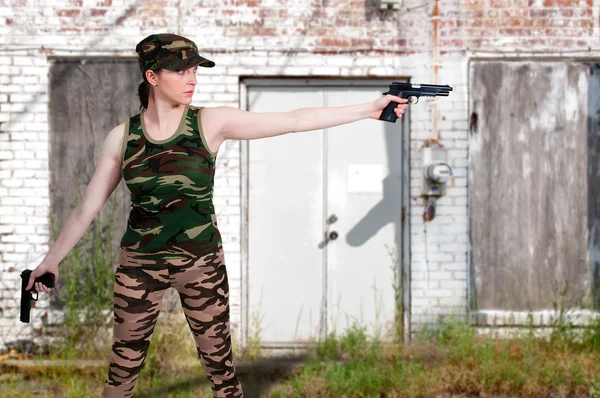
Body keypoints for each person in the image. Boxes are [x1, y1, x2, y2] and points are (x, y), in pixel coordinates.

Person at [24, 32, 409, 397]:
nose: (192, 79)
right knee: (122, 371)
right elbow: (86, 208)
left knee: (221, 370)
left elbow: (293, 120)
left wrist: (369, 110)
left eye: (195, 69)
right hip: (139, 266)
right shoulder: (122, 137)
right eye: (181, 70)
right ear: (152, 76)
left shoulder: (210, 123)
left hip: (201, 264)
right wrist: (50, 262)